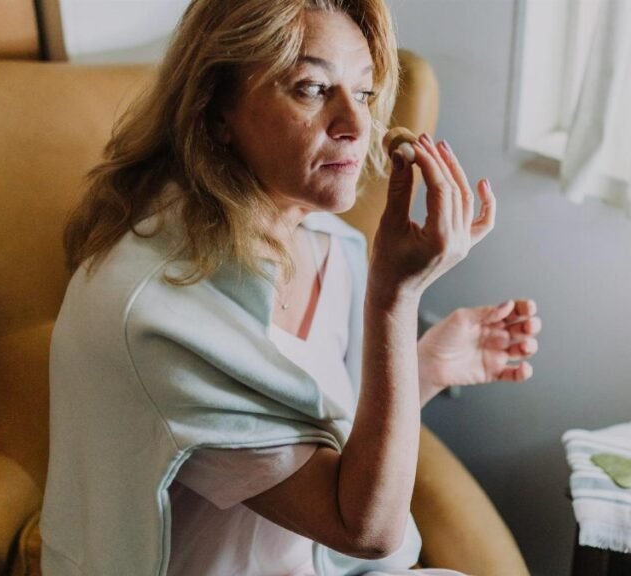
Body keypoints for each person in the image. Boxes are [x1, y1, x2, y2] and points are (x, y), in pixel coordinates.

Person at [39, 0, 541, 575]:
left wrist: (422, 365)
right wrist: (395, 298)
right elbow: (366, 530)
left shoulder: (333, 247)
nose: (356, 124)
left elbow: (324, 430)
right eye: (311, 88)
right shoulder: (156, 315)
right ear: (216, 111)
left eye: (367, 92)